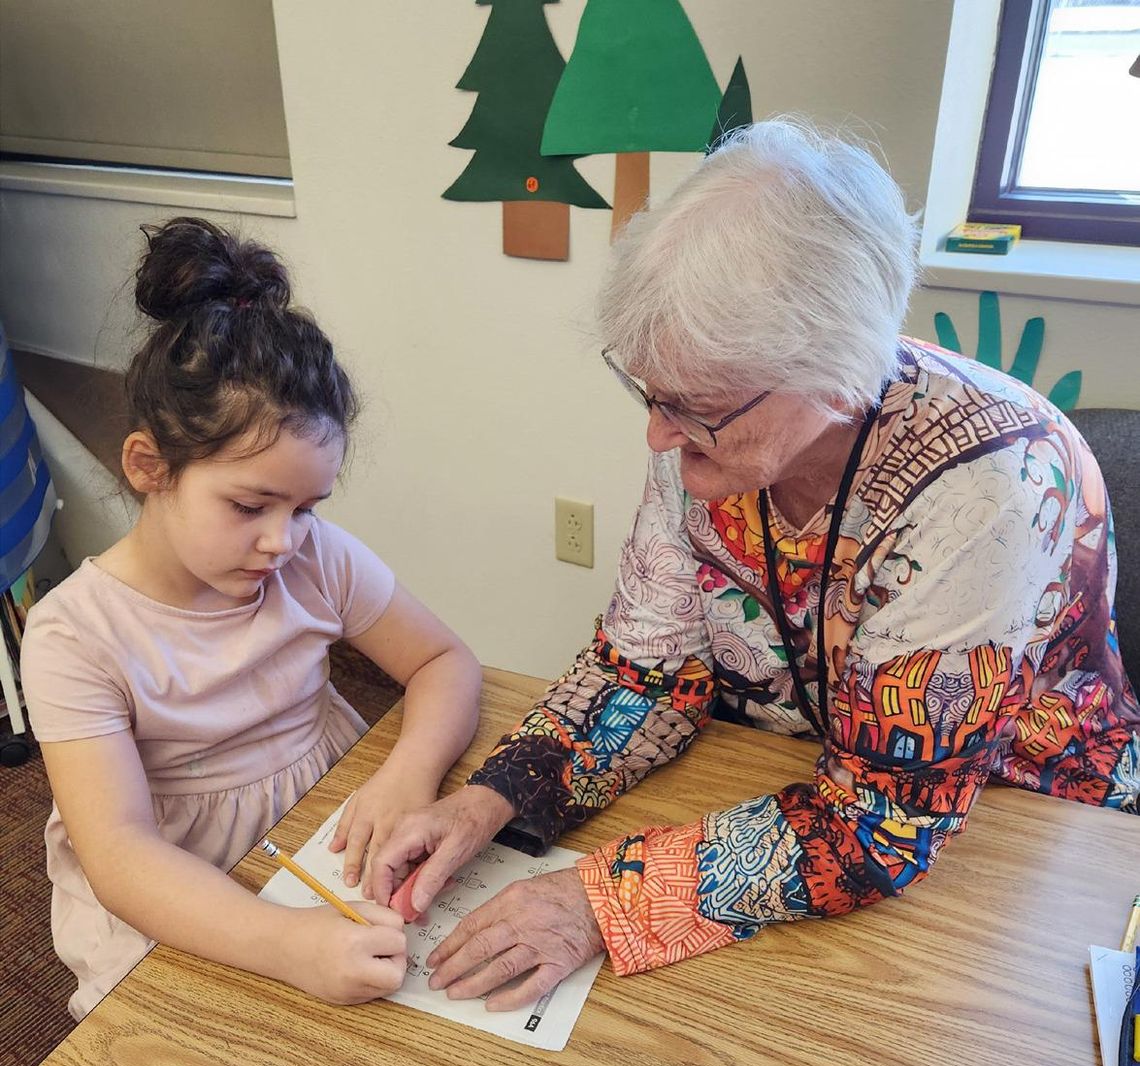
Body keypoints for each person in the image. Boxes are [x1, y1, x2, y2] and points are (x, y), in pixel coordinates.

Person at [365, 119, 1140, 1011]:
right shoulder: (709, 436)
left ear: (837, 379)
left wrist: (598, 900)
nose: (657, 434)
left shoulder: (990, 491)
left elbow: (880, 825)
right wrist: (492, 799)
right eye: (649, 393)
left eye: (691, 406)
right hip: (784, 793)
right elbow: (646, 665)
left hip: (1022, 830)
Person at [19, 217, 482, 1020]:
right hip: (173, 883)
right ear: (149, 467)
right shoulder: (74, 635)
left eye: (306, 506)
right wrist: (288, 944)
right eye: (249, 504)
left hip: (320, 821)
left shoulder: (315, 556)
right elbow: (121, 855)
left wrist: (407, 773)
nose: (282, 539)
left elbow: (444, 661)